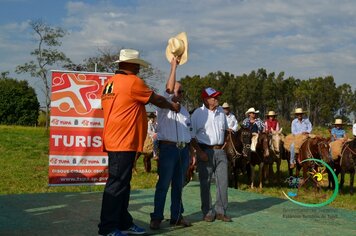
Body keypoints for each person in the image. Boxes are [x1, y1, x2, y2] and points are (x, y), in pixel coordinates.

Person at [99, 48, 180, 236]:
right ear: (128, 65)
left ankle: (123, 222)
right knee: (117, 185)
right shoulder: (132, 82)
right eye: (137, 65)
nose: (139, 69)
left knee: (122, 184)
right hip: (123, 141)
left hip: (116, 139)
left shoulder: (110, 83)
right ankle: (108, 228)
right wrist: (171, 105)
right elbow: (157, 100)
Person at [150, 32, 192, 230]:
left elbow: (189, 132)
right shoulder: (164, 103)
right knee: (163, 185)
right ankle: (157, 217)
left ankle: (176, 216)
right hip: (168, 150)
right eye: (176, 90)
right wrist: (173, 66)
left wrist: (191, 152)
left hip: (183, 150)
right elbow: (167, 89)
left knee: (178, 186)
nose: (178, 93)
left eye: (181, 91)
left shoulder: (184, 110)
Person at [190, 87, 232, 223]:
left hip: (220, 151)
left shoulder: (221, 112)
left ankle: (221, 212)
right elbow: (191, 136)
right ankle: (207, 212)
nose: (216, 99)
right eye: (213, 97)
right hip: (205, 151)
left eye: (217, 96)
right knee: (205, 183)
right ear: (205, 99)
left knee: (223, 182)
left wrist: (224, 146)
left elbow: (226, 130)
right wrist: (200, 152)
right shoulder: (197, 113)